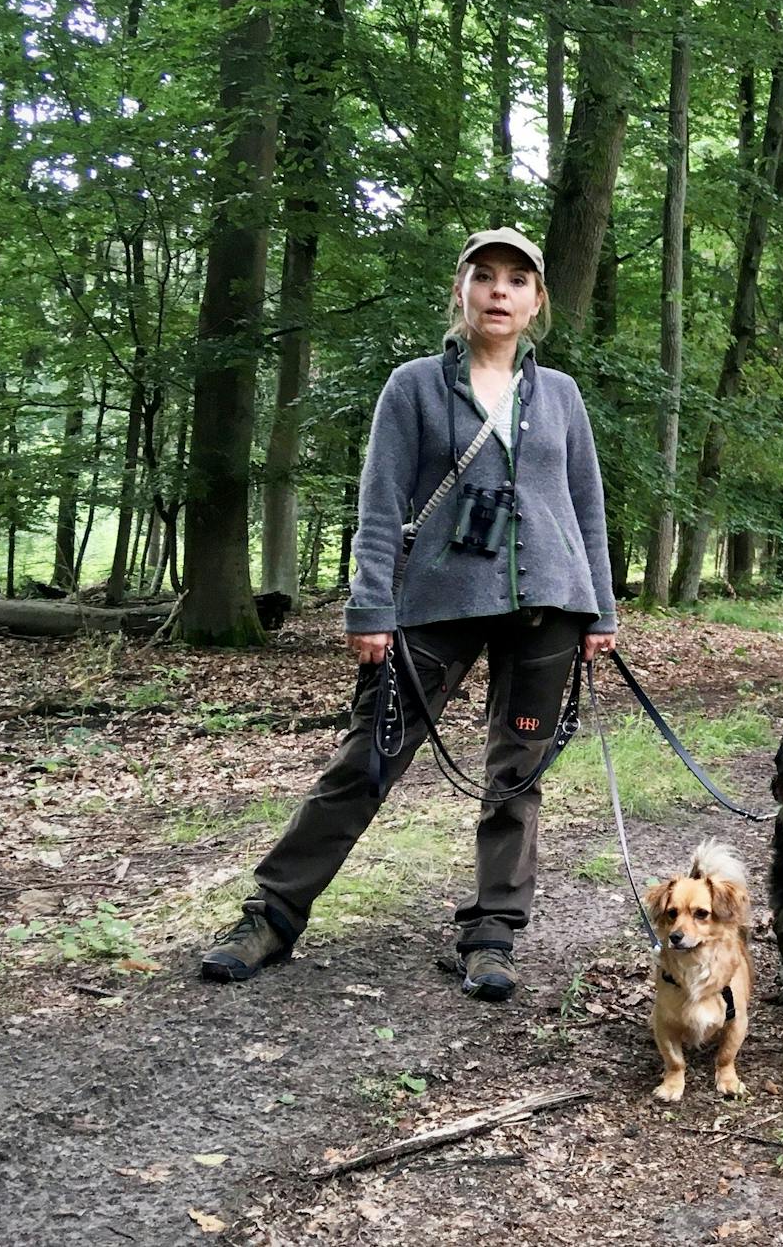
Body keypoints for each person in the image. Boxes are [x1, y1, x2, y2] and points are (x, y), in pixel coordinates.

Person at [201, 227, 618, 1000]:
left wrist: (602, 613)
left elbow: (586, 506)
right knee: (368, 759)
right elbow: (382, 501)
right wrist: (370, 605)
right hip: (435, 604)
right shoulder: (415, 385)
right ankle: (271, 916)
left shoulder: (559, 394)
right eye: (485, 277)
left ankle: (492, 935)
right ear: (460, 291)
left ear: (537, 302)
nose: (500, 291)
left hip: (551, 610)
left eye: (517, 281)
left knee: (516, 777)